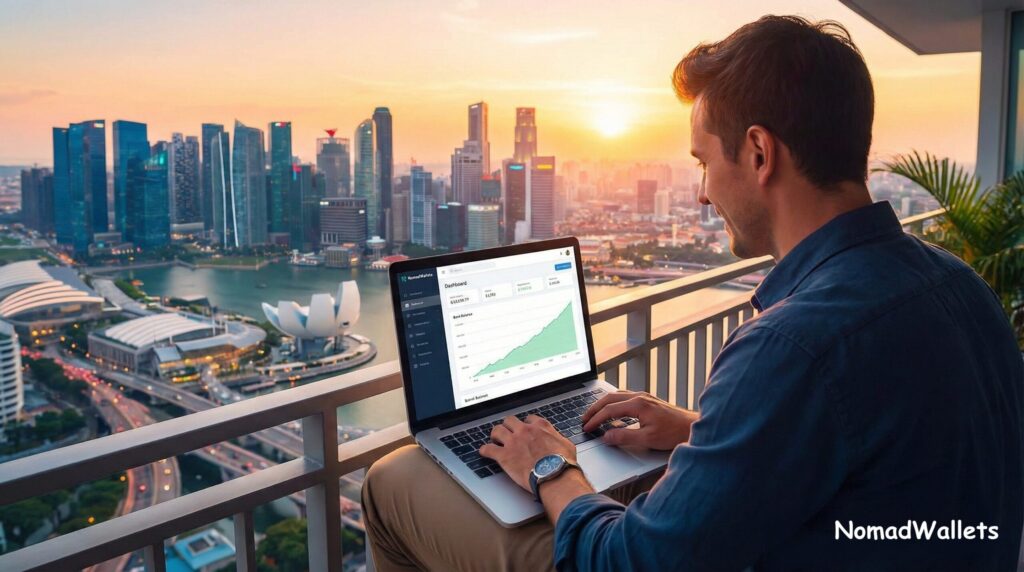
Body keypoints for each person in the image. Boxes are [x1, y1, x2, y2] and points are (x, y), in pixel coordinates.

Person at [362, 15, 1024, 571]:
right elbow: (873, 460)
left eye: (704, 162)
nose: (703, 192)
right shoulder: (957, 283)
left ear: (760, 154)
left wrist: (550, 469)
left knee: (392, 483)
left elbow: (632, 562)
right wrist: (700, 433)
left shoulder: (794, 343)